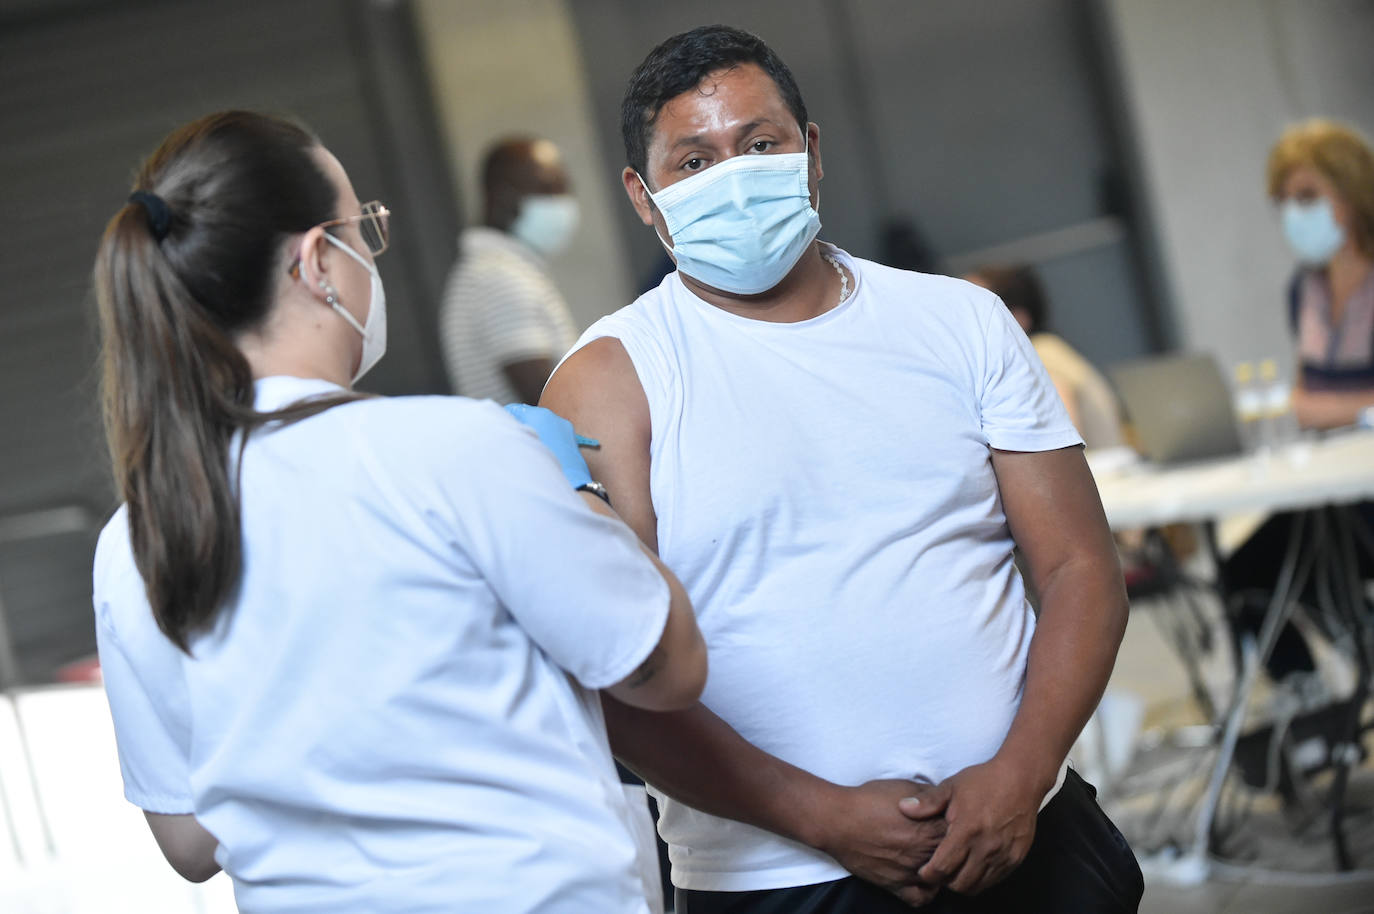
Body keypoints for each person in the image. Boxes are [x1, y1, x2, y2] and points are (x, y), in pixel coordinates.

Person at [542, 24, 1143, 914]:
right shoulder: (606, 385)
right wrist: (817, 815)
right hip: (779, 879)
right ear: (643, 195)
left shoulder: (960, 323)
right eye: (694, 162)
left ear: (811, 152)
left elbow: (1080, 568)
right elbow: (609, 667)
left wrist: (1022, 772)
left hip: (1030, 835)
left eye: (760, 144)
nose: (734, 178)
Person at [90, 110, 707, 913]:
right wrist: (580, 495)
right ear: (317, 261)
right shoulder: (452, 450)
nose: (369, 259)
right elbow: (669, 669)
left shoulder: (133, 535)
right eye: (362, 230)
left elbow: (189, 844)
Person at [1223, 118, 1374, 685]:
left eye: (1307, 196)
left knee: (1312, 565)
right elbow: (1301, 399)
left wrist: (1338, 409)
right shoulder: (1304, 291)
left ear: (1353, 190)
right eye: (1283, 201)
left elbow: (1309, 402)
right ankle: (1306, 707)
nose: (1293, 213)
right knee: (1245, 571)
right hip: (1329, 491)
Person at [439, 136, 581, 404]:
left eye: (564, 188)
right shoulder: (498, 277)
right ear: (504, 197)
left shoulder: (502, 270)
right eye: (548, 189)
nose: (562, 202)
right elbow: (545, 397)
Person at [965, 264, 1125, 450]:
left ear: (1017, 317)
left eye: (974, 311)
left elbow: (1060, 440)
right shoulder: (1048, 347)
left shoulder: (1039, 355)